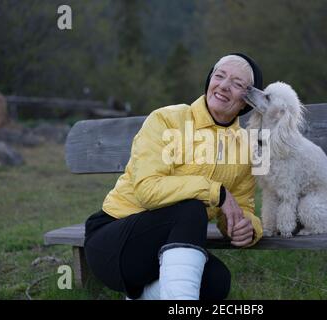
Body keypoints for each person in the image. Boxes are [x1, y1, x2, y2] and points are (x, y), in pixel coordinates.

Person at [84, 53, 264, 300]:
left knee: (217, 282)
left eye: (236, 83)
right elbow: (147, 190)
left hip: (166, 245)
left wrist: (248, 228)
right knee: (191, 208)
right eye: (219, 76)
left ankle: (142, 297)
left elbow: (241, 206)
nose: (223, 86)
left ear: (247, 101)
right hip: (114, 242)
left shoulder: (247, 147)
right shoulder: (166, 119)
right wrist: (215, 191)